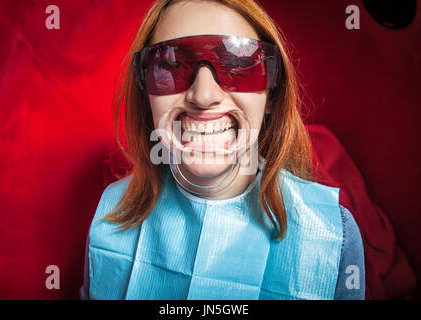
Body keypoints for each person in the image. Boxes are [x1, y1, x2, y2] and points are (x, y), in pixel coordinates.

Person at [80, 0, 365, 300]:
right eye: (172, 64)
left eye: (238, 63)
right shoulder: (110, 215)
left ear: (271, 95)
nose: (203, 96)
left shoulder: (335, 236)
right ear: (146, 92)